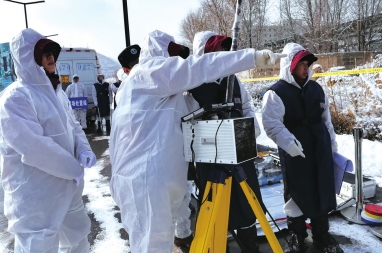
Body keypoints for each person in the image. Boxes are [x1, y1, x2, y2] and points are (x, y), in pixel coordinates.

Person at [109, 30, 284, 253]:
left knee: (154, 242)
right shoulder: (150, 73)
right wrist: (252, 57)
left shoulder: (159, 92)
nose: (177, 62)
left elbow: (188, 116)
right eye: (173, 56)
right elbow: (198, 67)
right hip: (147, 183)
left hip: (153, 182)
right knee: (152, 245)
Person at [0, 28, 97, 253]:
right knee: (39, 246)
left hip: (67, 188)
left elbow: (73, 126)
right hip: (36, 194)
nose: (51, 58)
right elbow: (35, 148)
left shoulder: (57, 92)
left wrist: (83, 149)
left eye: (52, 53)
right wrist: (74, 168)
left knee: (78, 240)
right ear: (29, 59)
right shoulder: (16, 98)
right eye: (44, 54)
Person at [186, 31, 267, 253]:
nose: (220, 54)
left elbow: (248, 108)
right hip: (212, 164)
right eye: (215, 50)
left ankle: (251, 248)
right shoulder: (192, 87)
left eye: (222, 50)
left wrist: (248, 133)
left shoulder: (234, 82)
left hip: (241, 156)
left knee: (247, 206)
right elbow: (188, 126)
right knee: (217, 212)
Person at [261, 43, 343, 253]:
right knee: (296, 192)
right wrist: (288, 143)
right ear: (290, 65)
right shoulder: (276, 93)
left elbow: (326, 119)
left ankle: (322, 237)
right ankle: (297, 237)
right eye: (302, 64)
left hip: (319, 146)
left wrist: (332, 143)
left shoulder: (316, 88)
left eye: (308, 64)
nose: (306, 68)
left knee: (321, 189)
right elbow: (272, 124)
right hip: (295, 151)